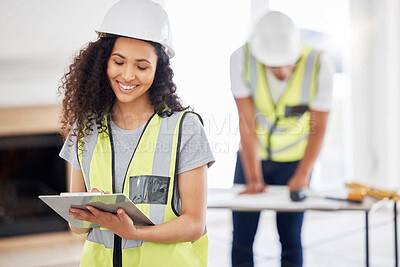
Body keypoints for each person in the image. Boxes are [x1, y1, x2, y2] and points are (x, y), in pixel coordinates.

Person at [58, 0, 214, 266]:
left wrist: (133, 233)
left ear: (159, 69)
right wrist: (91, 210)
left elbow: (194, 224)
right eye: (118, 62)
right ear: (102, 62)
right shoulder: (85, 128)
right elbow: (78, 228)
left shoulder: (184, 128)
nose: (128, 75)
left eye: (142, 67)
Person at [229, 11, 333, 267]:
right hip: (252, 158)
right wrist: (253, 177)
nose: (283, 72)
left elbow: (317, 127)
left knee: (290, 236)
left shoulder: (320, 64)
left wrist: (303, 173)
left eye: (289, 63)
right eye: (274, 66)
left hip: (295, 162)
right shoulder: (240, 59)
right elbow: (247, 123)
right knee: (242, 237)